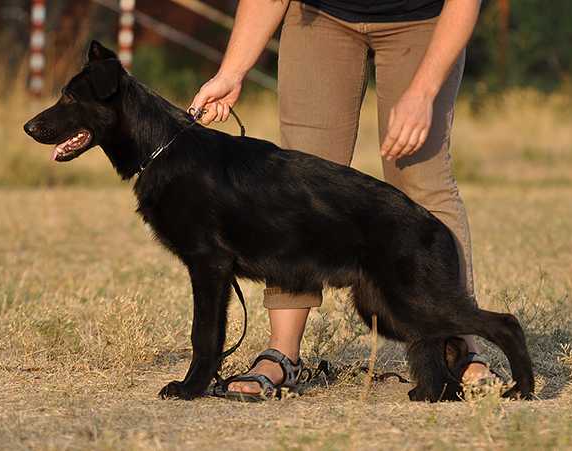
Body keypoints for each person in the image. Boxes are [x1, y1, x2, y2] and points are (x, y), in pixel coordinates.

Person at [189, 0, 491, 397]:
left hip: (422, 21)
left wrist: (422, 92)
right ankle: (282, 353)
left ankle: (459, 343)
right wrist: (231, 71)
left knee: (421, 179)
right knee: (297, 188)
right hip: (322, 16)